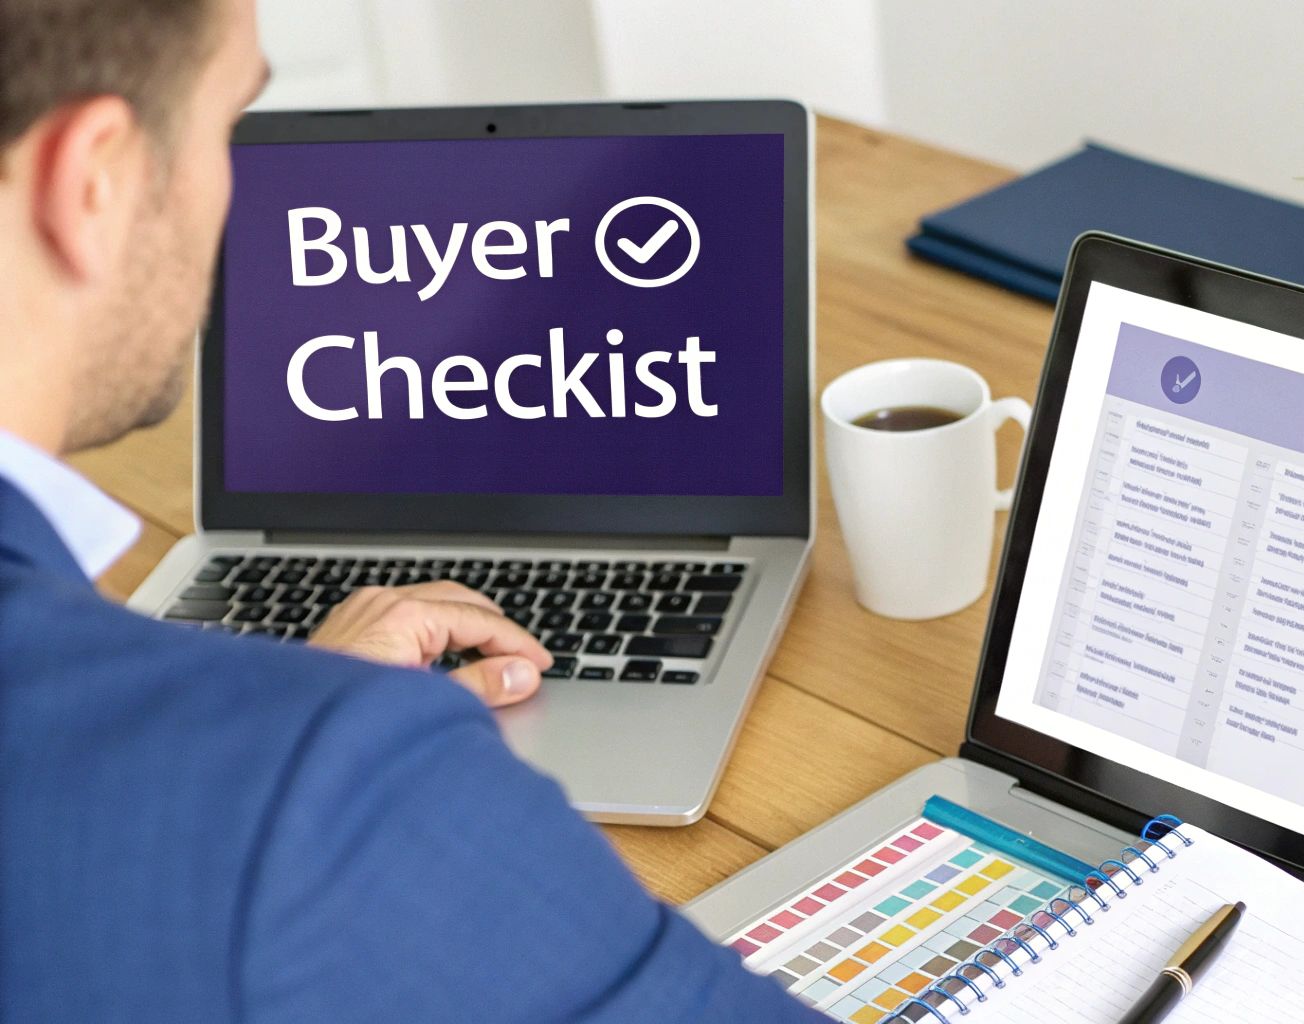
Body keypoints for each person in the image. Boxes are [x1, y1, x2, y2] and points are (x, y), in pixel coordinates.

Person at [0, 1, 821, 1020]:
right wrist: (306, 737)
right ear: (93, 179)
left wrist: (282, 698)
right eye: (227, 130)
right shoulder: (322, 799)